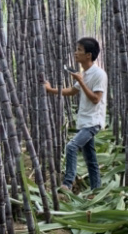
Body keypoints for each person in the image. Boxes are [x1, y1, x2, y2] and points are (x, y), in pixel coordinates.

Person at [44, 37, 107, 194]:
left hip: (93, 121)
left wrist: (81, 81)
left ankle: (67, 184)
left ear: (88, 55)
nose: (75, 52)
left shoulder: (99, 74)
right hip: (85, 121)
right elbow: (72, 91)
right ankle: (96, 191)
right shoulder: (85, 73)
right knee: (91, 160)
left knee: (71, 147)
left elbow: (95, 99)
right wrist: (51, 90)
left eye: (79, 49)